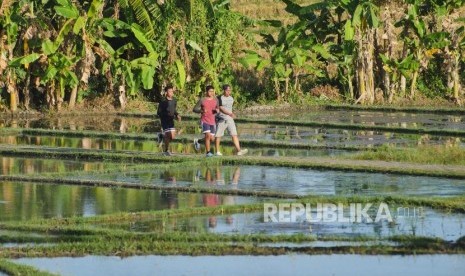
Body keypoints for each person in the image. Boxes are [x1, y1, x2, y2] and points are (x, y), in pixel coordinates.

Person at [215, 84, 248, 156]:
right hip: (222, 119)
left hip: (230, 119)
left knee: (234, 134)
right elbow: (221, 108)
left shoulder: (231, 98)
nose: (229, 92)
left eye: (230, 90)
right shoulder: (219, 98)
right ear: (224, 90)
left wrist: (231, 114)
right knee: (218, 135)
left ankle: (239, 150)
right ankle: (217, 151)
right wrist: (230, 114)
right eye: (227, 90)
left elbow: (230, 108)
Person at [157, 85, 181, 156]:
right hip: (165, 120)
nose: (171, 93)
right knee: (168, 135)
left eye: (172, 91)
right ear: (166, 92)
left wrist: (177, 115)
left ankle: (161, 136)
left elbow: (174, 109)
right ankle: (166, 151)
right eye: (169, 91)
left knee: (172, 137)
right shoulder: (163, 101)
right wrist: (166, 114)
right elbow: (158, 112)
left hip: (171, 120)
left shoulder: (174, 100)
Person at [197, 85, 219, 157]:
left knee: (212, 139)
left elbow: (217, 109)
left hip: (212, 121)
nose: (211, 93)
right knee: (207, 136)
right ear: (206, 92)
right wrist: (202, 110)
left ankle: (198, 141)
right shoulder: (202, 100)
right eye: (210, 91)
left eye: (213, 91)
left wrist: (217, 111)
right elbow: (194, 109)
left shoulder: (216, 100)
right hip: (205, 120)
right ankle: (208, 153)